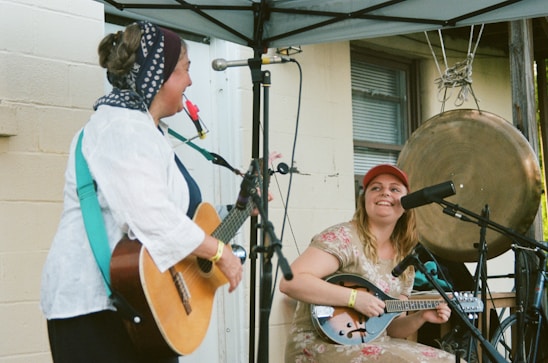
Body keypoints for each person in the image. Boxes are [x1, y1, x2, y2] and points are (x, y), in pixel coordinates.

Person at [40, 21, 243, 363]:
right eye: (184, 71)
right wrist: (219, 252)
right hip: (95, 307)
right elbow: (149, 214)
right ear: (156, 74)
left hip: (133, 303)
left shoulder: (147, 131)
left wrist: (239, 209)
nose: (190, 81)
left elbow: (178, 218)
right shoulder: (122, 128)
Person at [279, 164, 461, 362]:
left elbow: (392, 327)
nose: (384, 193)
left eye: (394, 189)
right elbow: (291, 281)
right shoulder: (344, 237)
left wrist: (421, 317)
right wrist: (353, 298)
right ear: (364, 199)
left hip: (377, 345)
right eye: (375, 188)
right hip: (321, 346)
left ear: (407, 204)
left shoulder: (405, 259)